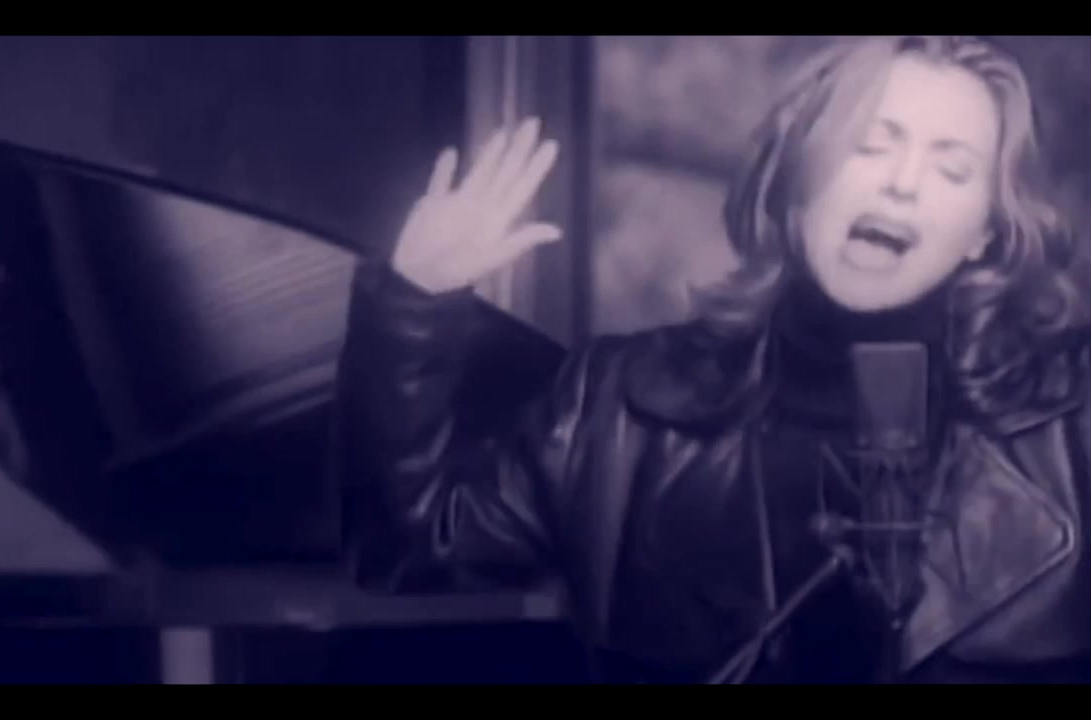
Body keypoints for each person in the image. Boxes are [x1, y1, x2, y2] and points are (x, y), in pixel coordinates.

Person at [333, 35, 1091, 683]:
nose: (902, 183)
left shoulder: (1072, 424)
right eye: (870, 144)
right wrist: (414, 303)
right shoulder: (613, 408)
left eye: (952, 169)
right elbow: (407, 548)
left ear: (985, 233)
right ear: (795, 171)